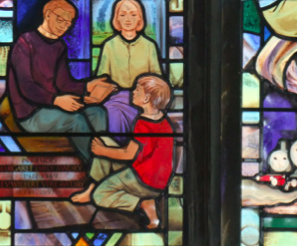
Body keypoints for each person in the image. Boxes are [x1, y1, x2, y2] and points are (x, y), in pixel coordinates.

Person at [7, 0, 115, 162]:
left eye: (68, 23)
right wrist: (56, 100)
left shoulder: (59, 46)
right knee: (76, 120)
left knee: (97, 112)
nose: (64, 27)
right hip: (30, 113)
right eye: (60, 20)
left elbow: (63, 84)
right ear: (48, 14)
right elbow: (27, 87)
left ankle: (101, 161)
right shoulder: (25, 42)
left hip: (52, 106)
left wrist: (88, 86)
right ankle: (96, 167)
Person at [71, 75, 173, 230]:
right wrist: (104, 149)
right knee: (104, 139)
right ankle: (92, 187)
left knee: (100, 196)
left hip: (143, 180)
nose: (132, 92)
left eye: (137, 90)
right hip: (153, 176)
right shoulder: (163, 122)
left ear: (146, 99)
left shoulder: (144, 124)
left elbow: (128, 154)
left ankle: (143, 203)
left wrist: (102, 151)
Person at [96, 0, 162, 144]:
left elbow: (157, 77)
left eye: (133, 15)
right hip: (115, 98)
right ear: (116, 18)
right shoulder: (109, 46)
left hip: (143, 98)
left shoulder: (149, 46)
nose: (128, 19)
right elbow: (102, 77)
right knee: (113, 113)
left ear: (140, 18)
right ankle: (119, 157)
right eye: (123, 14)